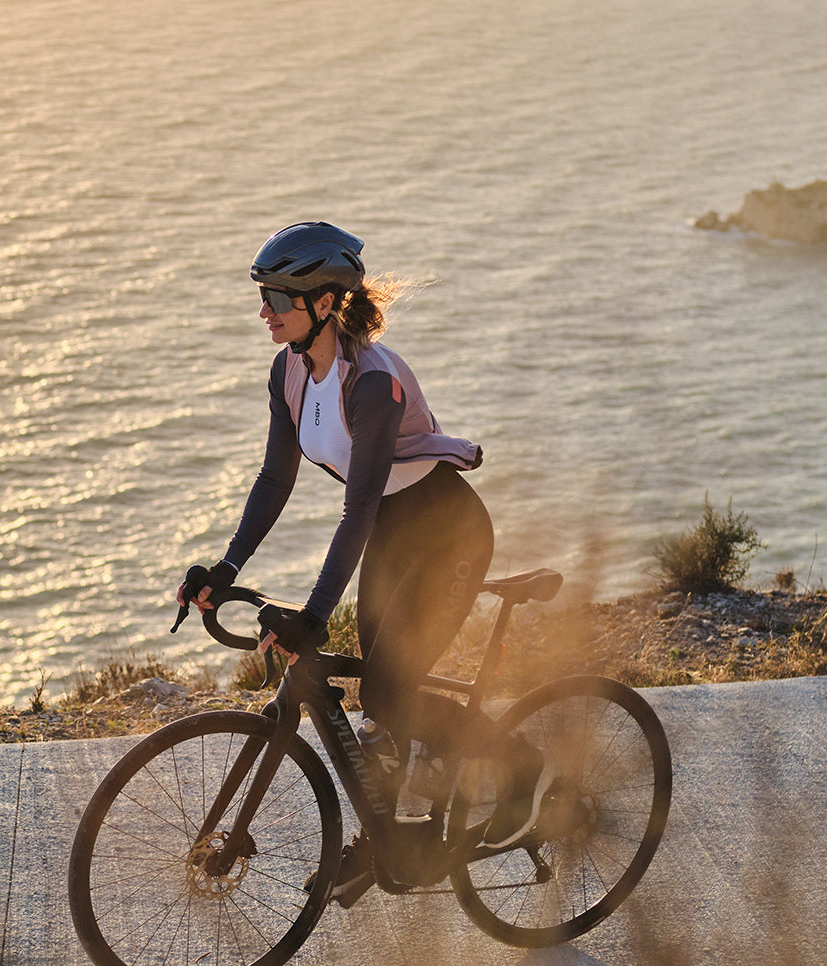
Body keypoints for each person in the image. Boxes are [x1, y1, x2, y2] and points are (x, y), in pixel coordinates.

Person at [177, 223, 549, 894]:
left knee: (388, 691)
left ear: (323, 302)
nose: (264, 312)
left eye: (277, 300)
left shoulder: (370, 385)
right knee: (372, 692)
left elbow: (358, 508)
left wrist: (314, 613)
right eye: (264, 298)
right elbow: (274, 480)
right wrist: (224, 571)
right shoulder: (289, 370)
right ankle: (405, 840)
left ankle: (520, 767)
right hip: (391, 536)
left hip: (447, 535)